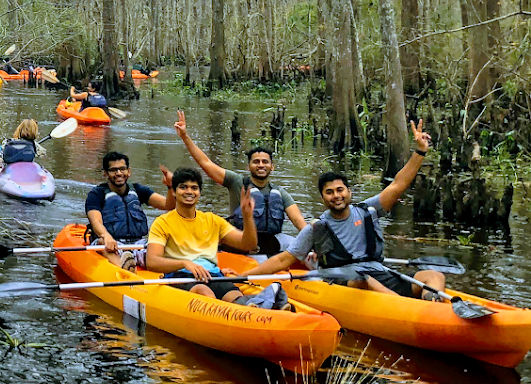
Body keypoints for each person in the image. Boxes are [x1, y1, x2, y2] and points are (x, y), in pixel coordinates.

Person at [242, 121, 447, 299]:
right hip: (343, 280)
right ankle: (408, 308)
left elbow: (397, 185)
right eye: (329, 192)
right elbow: (283, 259)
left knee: (434, 275)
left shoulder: (369, 210)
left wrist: (420, 152)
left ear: (349, 192)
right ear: (323, 198)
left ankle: (432, 300)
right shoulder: (317, 229)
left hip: (378, 272)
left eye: (340, 190)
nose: (336, 196)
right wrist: (246, 275)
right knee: (364, 280)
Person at [174, 110, 307, 256]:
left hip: (272, 242)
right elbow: (206, 163)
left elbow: (298, 220)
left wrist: (309, 243)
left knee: (300, 246)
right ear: (248, 167)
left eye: (265, 162)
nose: (261, 165)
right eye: (256, 162)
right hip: (241, 240)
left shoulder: (279, 192)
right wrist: (185, 136)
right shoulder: (236, 182)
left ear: (272, 167)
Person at [145, 165, 277, 305]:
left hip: (213, 276)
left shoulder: (212, 220)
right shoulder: (162, 223)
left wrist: (247, 217)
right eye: (183, 187)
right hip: (180, 277)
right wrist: (184, 263)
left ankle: (263, 308)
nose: (189, 191)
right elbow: (152, 262)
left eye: (194, 188)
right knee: (204, 291)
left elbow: (248, 244)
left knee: (235, 295)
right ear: (174, 192)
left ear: (199, 193)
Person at [83, 150, 159, 269]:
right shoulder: (97, 194)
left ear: (129, 171)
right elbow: (96, 222)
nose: (119, 173)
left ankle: (153, 266)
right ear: (105, 173)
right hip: (111, 242)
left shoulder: (139, 190)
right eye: (113, 170)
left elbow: (168, 205)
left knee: (157, 246)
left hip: (137, 243)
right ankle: (123, 267)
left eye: (122, 169)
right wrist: (106, 236)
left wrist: (171, 187)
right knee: (103, 242)